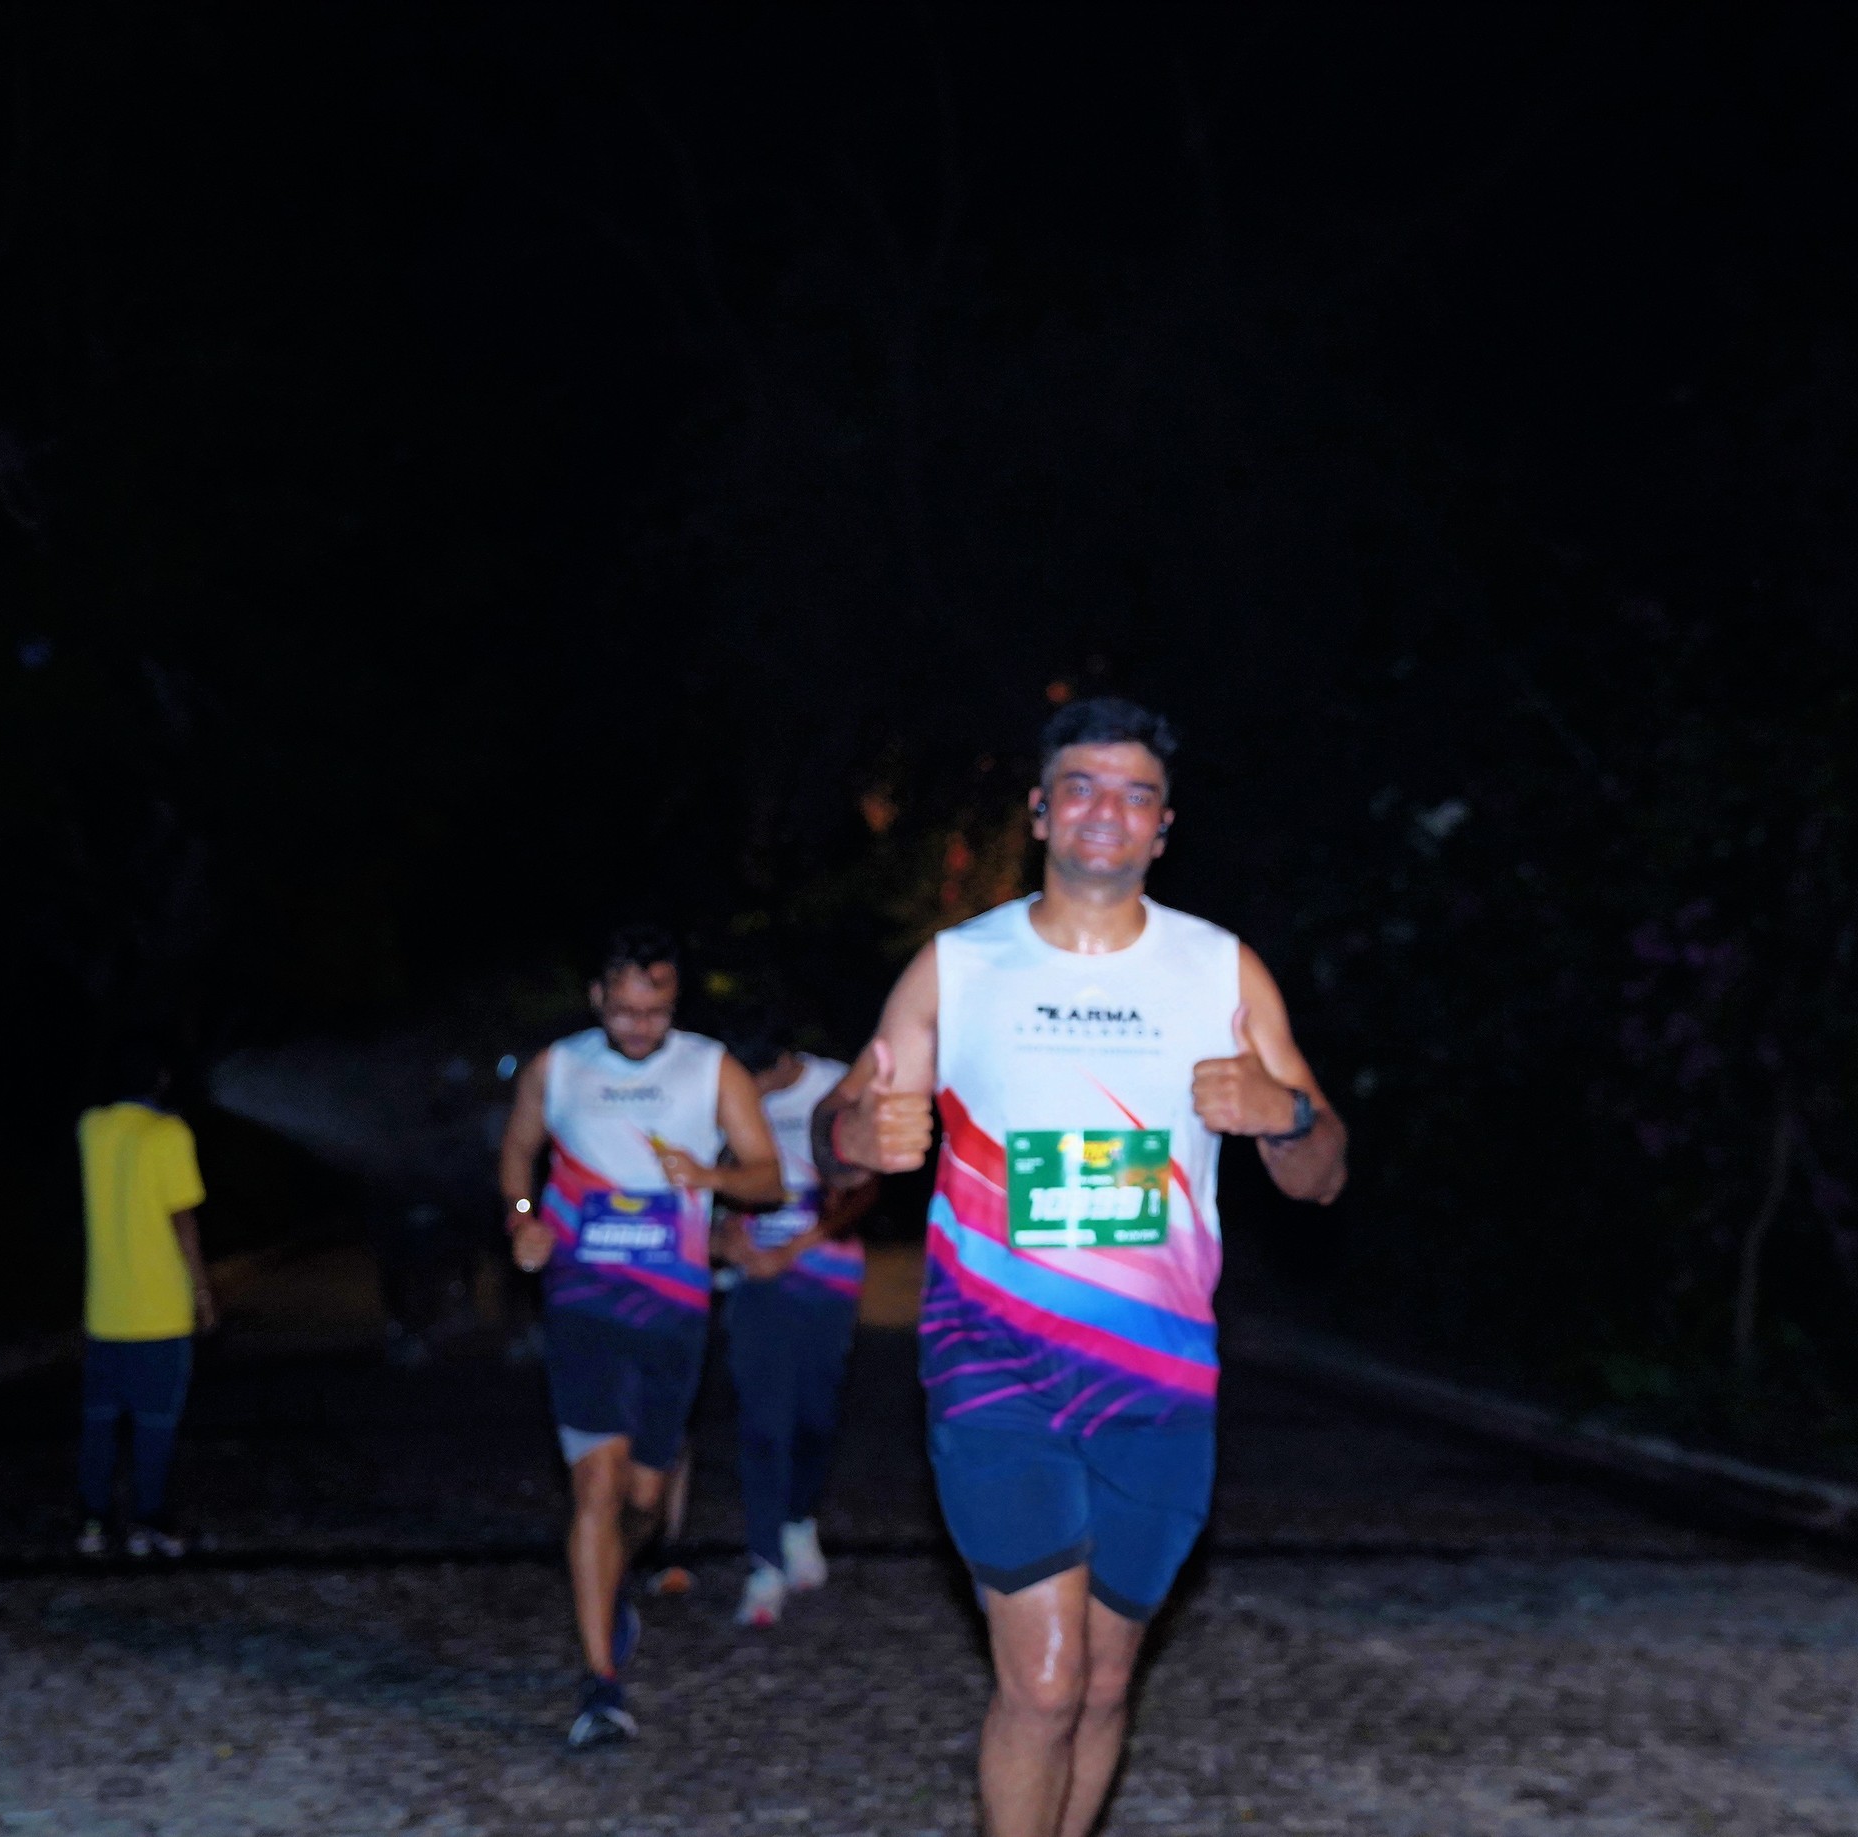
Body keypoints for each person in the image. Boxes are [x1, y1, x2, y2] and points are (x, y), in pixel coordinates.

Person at [816, 698, 1347, 1837]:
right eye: (1083, 786)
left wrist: (1286, 1114)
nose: (1107, 809)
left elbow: (1321, 1176)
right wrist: (853, 1135)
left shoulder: (1220, 970)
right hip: (991, 1359)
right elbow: (843, 1128)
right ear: (1040, 810)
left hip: (1157, 1375)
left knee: (1104, 1683)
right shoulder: (960, 967)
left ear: (1163, 826)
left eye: (1135, 792)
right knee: (1045, 1680)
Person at [498, 924, 785, 1747]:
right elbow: (517, 1152)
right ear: (597, 997)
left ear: (673, 1000)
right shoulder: (558, 1067)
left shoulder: (711, 1067)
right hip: (583, 1296)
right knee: (596, 1483)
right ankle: (600, 1682)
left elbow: (768, 1175)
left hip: (672, 1305)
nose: (639, 1026)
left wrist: (714, 1175)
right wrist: (522, 1220)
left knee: (646, 1498)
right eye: (624, 1010)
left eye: (654, 1010)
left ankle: (613, 1576)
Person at [712, 1003, 871, 1627]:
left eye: (755, 1080)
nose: (745, 1093)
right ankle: (764, 1564)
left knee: (814, 1416)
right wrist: (731, 1238)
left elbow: (864, 1189)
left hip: (825, 1271)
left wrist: (794, 1249)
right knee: (763, 1420)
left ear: (782, 1064)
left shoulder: (835, 1087)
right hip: (756, 1280)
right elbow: (718, 1175)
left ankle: (799, 1519)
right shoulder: (728, 1090)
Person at [75, 1037, 215, 1560]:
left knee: (100, 1424)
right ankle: (147, 1521)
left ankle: (92, 1523)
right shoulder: (169, 1134)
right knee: (155, 1425)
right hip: (159, 1313)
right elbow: (184, 1221)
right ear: (162, 1078)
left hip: (105, 1312)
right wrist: (202, 1291)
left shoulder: (91, 1129)